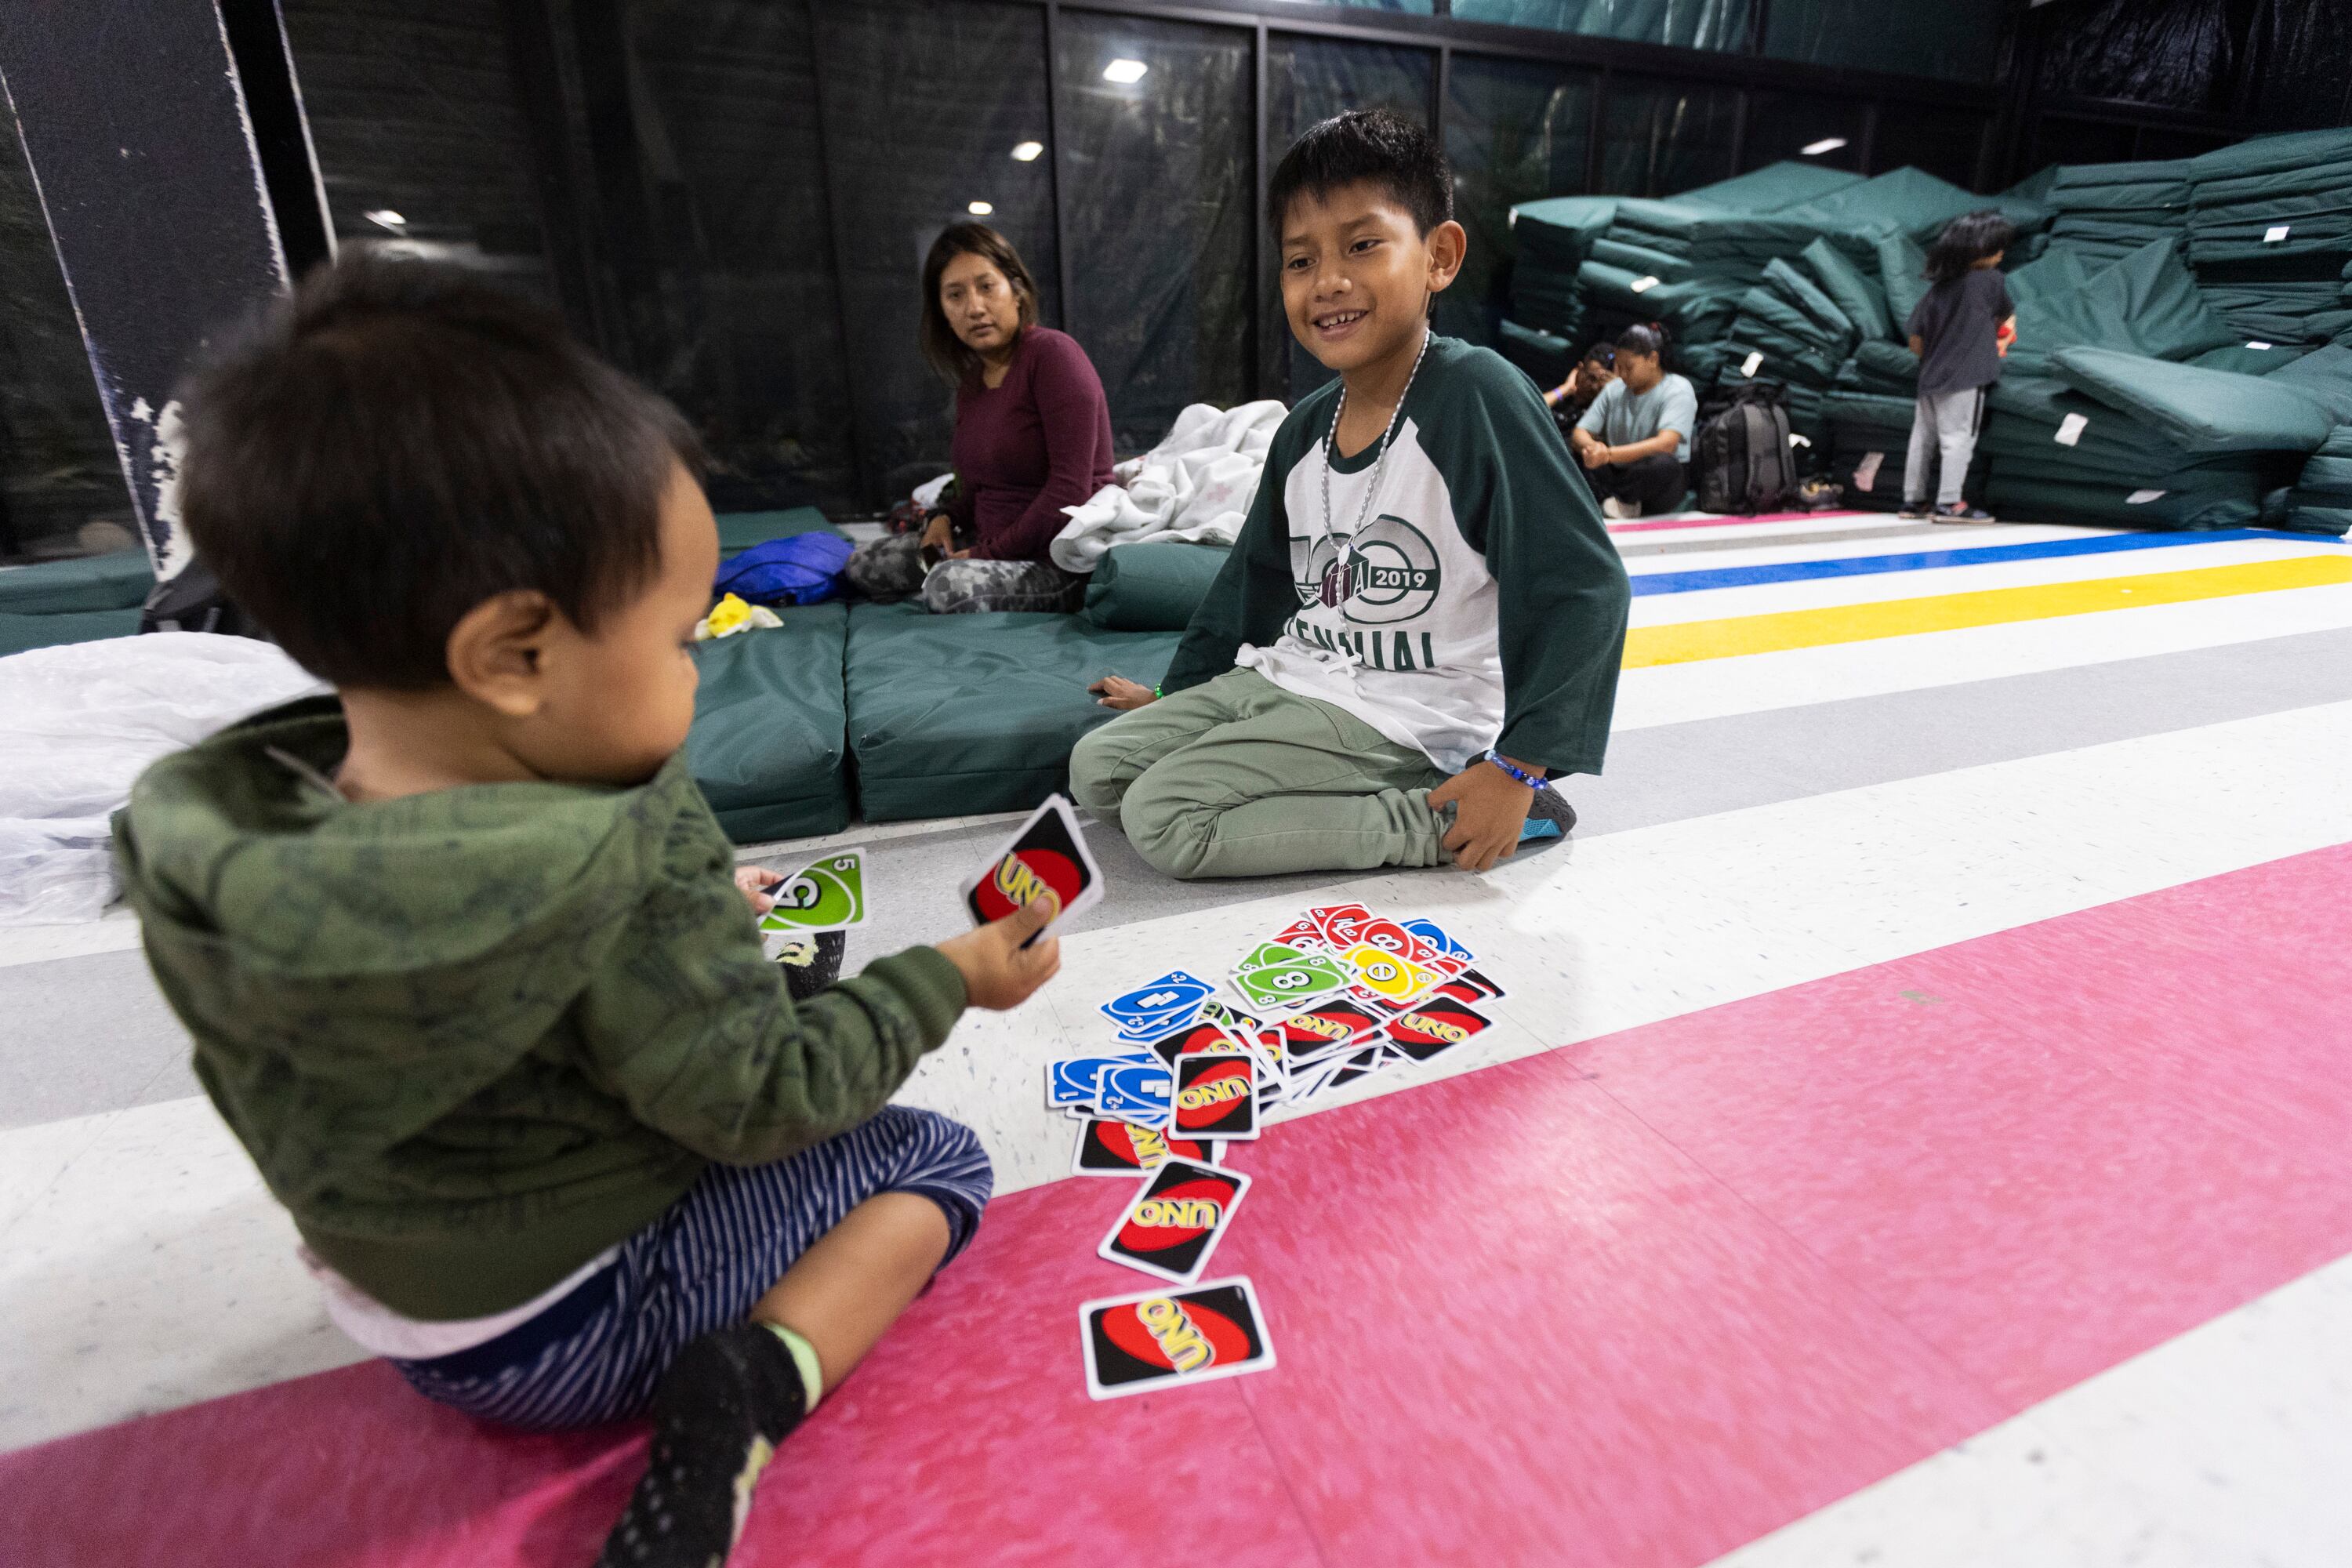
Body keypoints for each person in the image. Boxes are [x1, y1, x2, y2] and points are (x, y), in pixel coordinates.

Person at [117, 256, 1064, 1568]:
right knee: (941, 1158)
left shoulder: (223, 828)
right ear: (513, 654)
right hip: (579, 1328)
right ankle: (747, 1390)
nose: (694, 668)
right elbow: (766, 1100)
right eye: (679, 640)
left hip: (403, 1323)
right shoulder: (628, 845)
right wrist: (948, 974)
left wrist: (686, 921)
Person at [1070, 109, 1628, 882]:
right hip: (1296, 674)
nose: (1328, 280)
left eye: (1363, 246)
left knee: (1164, 816)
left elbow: (1584, 584)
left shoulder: (1476, 397)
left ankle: (1434, 817)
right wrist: (1175, 695)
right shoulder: (1304, 429)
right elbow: (1252, 582)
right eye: (1301, 261)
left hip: (1410, 712)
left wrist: (1520, 769)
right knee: (1099, 769)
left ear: (1439, 256)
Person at [840, 222, 1115, 612]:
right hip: (984, 543)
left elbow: (1069, 491)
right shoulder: (973, 382)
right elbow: (978, 487)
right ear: (943, 312)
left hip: (1055, 558)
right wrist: (943, 519)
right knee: (862, 565)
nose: (974, 308)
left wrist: (985, 554)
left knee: (948, 586)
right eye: (955, 295)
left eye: (987, 287)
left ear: (1016, 290)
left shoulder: (1055, 356)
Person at [1900, 209, 2016, 523]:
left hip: (1930, 376)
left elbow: (1916, 342)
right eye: (1999, 247)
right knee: (1958, 438)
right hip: (1967, 374)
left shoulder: (1936, 290)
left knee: (1922, 439)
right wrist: (2000, 342)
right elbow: (2006, 319)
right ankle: (1950, 503)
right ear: (1983, 250)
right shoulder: (1990, 281)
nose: (2003, 253)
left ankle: (1913, 501)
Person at [1568, 322, 1696, 518]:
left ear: (1652, 359)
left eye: (1629, 367)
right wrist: (1593, 449)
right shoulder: (1614, 390)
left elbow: (1666, 444)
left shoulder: (1678, 390)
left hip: (1651, 481)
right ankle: (1617, 500)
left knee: (1664, 465)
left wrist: (1608, 454)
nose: (1623, 374)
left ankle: (1616, 499)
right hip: (1618, 470)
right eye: (1619, 367)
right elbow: (1580, 433)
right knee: (1573, 449)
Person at [1543, 341, 1617, 426]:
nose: (1594, 387)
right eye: (1591, 378)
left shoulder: (1596, 413)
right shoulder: (1557, 393)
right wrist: (1566, 389)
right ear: (1580, 369)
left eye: (1601, 383)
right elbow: (1530, 408)